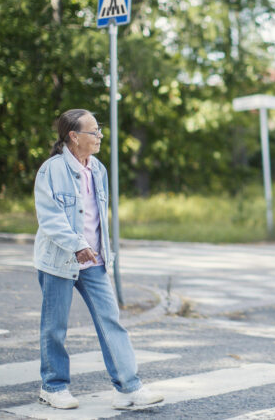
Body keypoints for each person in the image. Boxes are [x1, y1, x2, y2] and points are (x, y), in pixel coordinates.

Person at [33, 109, 163, 410]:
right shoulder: (51, 170)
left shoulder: (98, 169)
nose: (100, 135)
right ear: (74, 136)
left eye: (99, 130)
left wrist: (100, 251)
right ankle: (53, 387)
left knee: (110, 321)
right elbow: (50, 218)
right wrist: (77, 245)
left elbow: (98, 217)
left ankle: (128, 388)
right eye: (93, 131)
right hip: (60, 261)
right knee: (55, 327)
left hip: (94, 260)